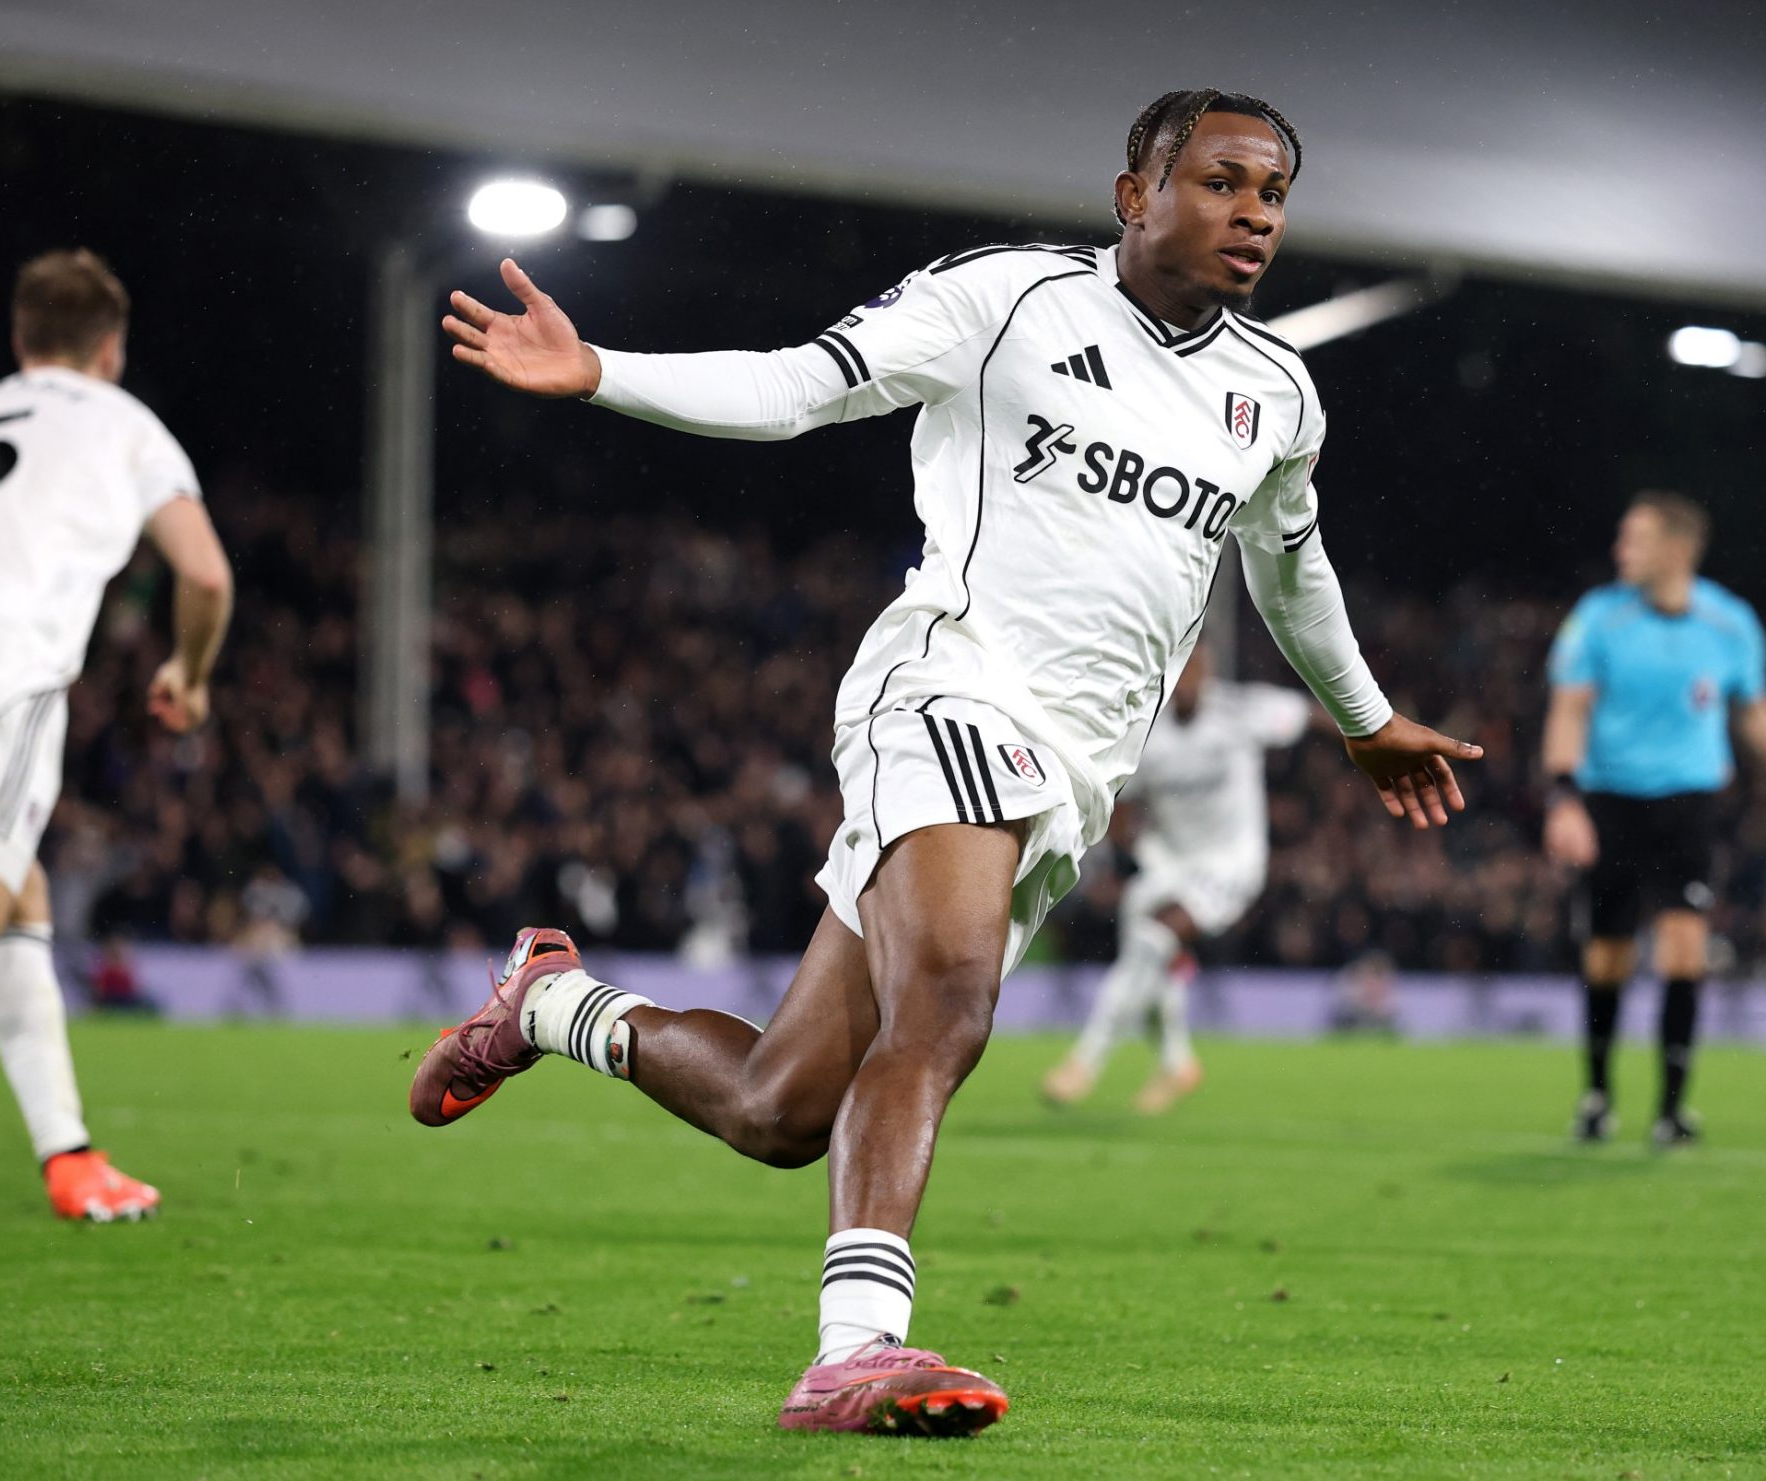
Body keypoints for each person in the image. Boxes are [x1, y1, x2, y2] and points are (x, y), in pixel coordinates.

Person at [417, 87, 1482, 1438]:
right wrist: (603, 370)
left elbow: (1290, 566)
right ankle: (856, 1349)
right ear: (1135, 194)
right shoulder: (1005, 299)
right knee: (948, 1004)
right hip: (950, 686)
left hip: (1073, 777)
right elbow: (797, 384)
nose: (1253, 215)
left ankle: (550, 1003)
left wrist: (1364, 716)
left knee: (778, 1107)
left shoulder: (1274, 391)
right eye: (1220, 182)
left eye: (1271, 193)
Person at [0, 249, 233, 1219]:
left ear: (20, 337)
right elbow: (204, 574)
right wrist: (189, 674)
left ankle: (69, 1154)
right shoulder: (124, 423)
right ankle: (69, 1155)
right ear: (111, 349)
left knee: (16, 889)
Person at [1540, 491, 1766, 1145]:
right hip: (1611, 800)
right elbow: (1569, 708)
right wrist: (1564, 799)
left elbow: (1755, 713)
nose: (1621, 550)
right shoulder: (1598, 618)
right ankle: (1597, 1096)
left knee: (1685, 947)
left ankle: (1671, 1110)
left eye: (1635, 538)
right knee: (1608, 953)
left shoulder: (1729, 623)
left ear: (1677, 550)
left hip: (1689, 804)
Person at [1041, 644, 1312, 1112]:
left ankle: (1085, 1061)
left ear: (1207, 673)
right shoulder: (1148, 735)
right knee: (1151, 963)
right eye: (1179, 673)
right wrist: (1126, 856)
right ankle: (1176, 1062)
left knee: (1153, 941)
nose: (1186, 683)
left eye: (1195, 672)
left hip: (1230, 864)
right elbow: (1124, 801)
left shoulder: (1239, 711)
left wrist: (1368, 733)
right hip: (1167, 863)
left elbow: (1304, 713)